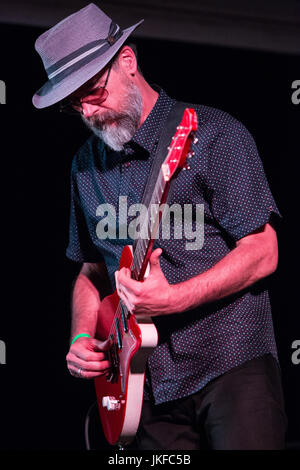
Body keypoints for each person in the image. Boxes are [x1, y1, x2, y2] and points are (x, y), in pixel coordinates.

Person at [33, 3, 287, 450]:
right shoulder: (84, 168)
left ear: (127, 62)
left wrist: (176, 298)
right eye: (75, 104)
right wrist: (79, 336)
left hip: (230, 362)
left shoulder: (215, 135)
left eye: (93, 92)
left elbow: (264, 250)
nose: (89, 113)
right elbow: (91, 272)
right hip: (141, 388)